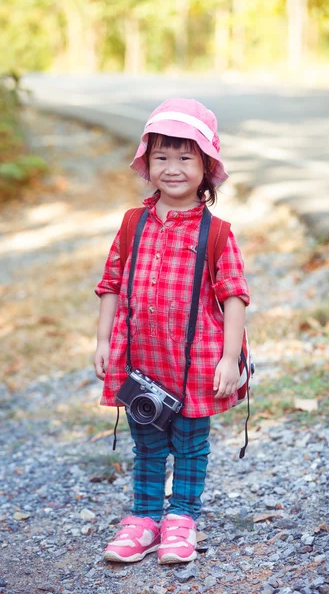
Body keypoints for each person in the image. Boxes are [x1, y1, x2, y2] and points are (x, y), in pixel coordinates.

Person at [94, 98, 250, 565]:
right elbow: (111, 284)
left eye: (186, 157)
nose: (173, 168)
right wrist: (102, 340)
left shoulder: (216, 232)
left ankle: (181, 519)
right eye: (162, 156)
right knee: (147, 443)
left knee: (189, 443)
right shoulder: (132, 223)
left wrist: (228, 358)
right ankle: (143, 519)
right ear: (147, 163)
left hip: (197, 360)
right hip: (142, 361)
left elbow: (234, 296)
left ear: (207, 167)